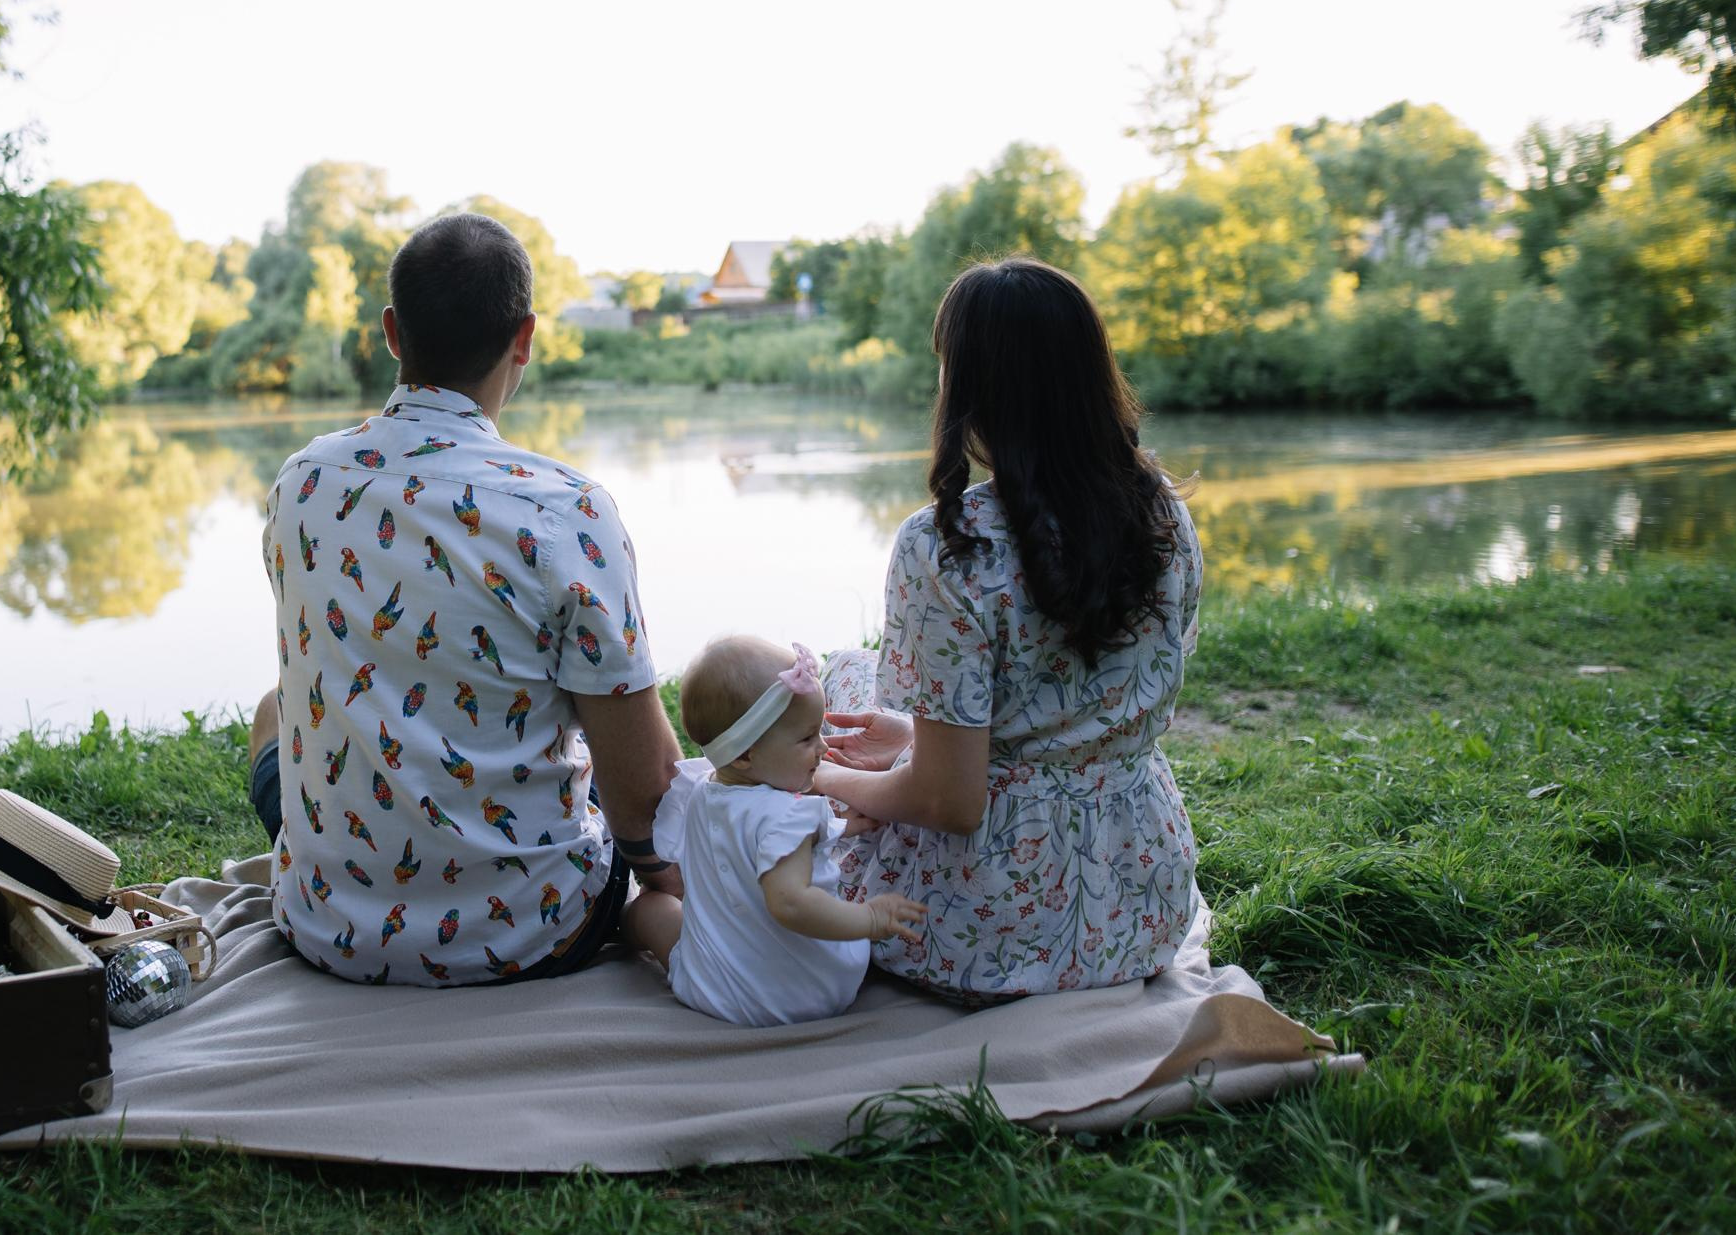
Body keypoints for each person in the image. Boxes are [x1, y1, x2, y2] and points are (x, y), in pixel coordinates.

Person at [246, 212, 685, 983]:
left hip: (324, 925)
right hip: (530, 930)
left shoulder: (300, 483)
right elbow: (643, 797)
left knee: (271, 712)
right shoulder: (567, 511)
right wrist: (684, 883)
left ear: (391, 332)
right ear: (526, 337)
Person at [816, 257, 1207, 1001]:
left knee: (842, 671)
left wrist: (826, 777)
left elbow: (952, 803)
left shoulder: (947, 546)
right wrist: (910, 743)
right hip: (1139, 910)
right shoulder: (1162, 515)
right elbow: (1086, 705)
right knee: (873, 696)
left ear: (971, 388)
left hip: (985, 933)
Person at [622, 635, 923, 1026]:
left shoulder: (701, 791)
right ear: (747, 753)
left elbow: (750, 840)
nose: (823, 749)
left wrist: (841, 826)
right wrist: (869, 919)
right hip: (809, 990)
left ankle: (623, 926)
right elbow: (791, 903)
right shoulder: (788, 816)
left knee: (650, 907)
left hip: (712, 989)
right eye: (806, 738)